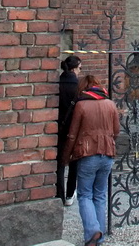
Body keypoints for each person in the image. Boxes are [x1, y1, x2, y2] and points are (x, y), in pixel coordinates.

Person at [62, 74, 121, 246]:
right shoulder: (110, 104)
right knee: (100, 195)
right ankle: (99, 237)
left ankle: (93, 231)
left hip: (87, 155)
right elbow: (116, 131)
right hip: (107, 155)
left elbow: (72, 135)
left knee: (85, 195)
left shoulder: (81, 105)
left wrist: (66, 157)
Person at [57, 55, 81, 204]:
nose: (80, 71)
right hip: (73, 127)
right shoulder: (78, 87)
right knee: (74, 161)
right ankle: (70, 194)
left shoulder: (57, 83)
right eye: (79, 68)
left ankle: (59, 194)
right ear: (73, 69)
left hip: (58, 126)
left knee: (59, 161)